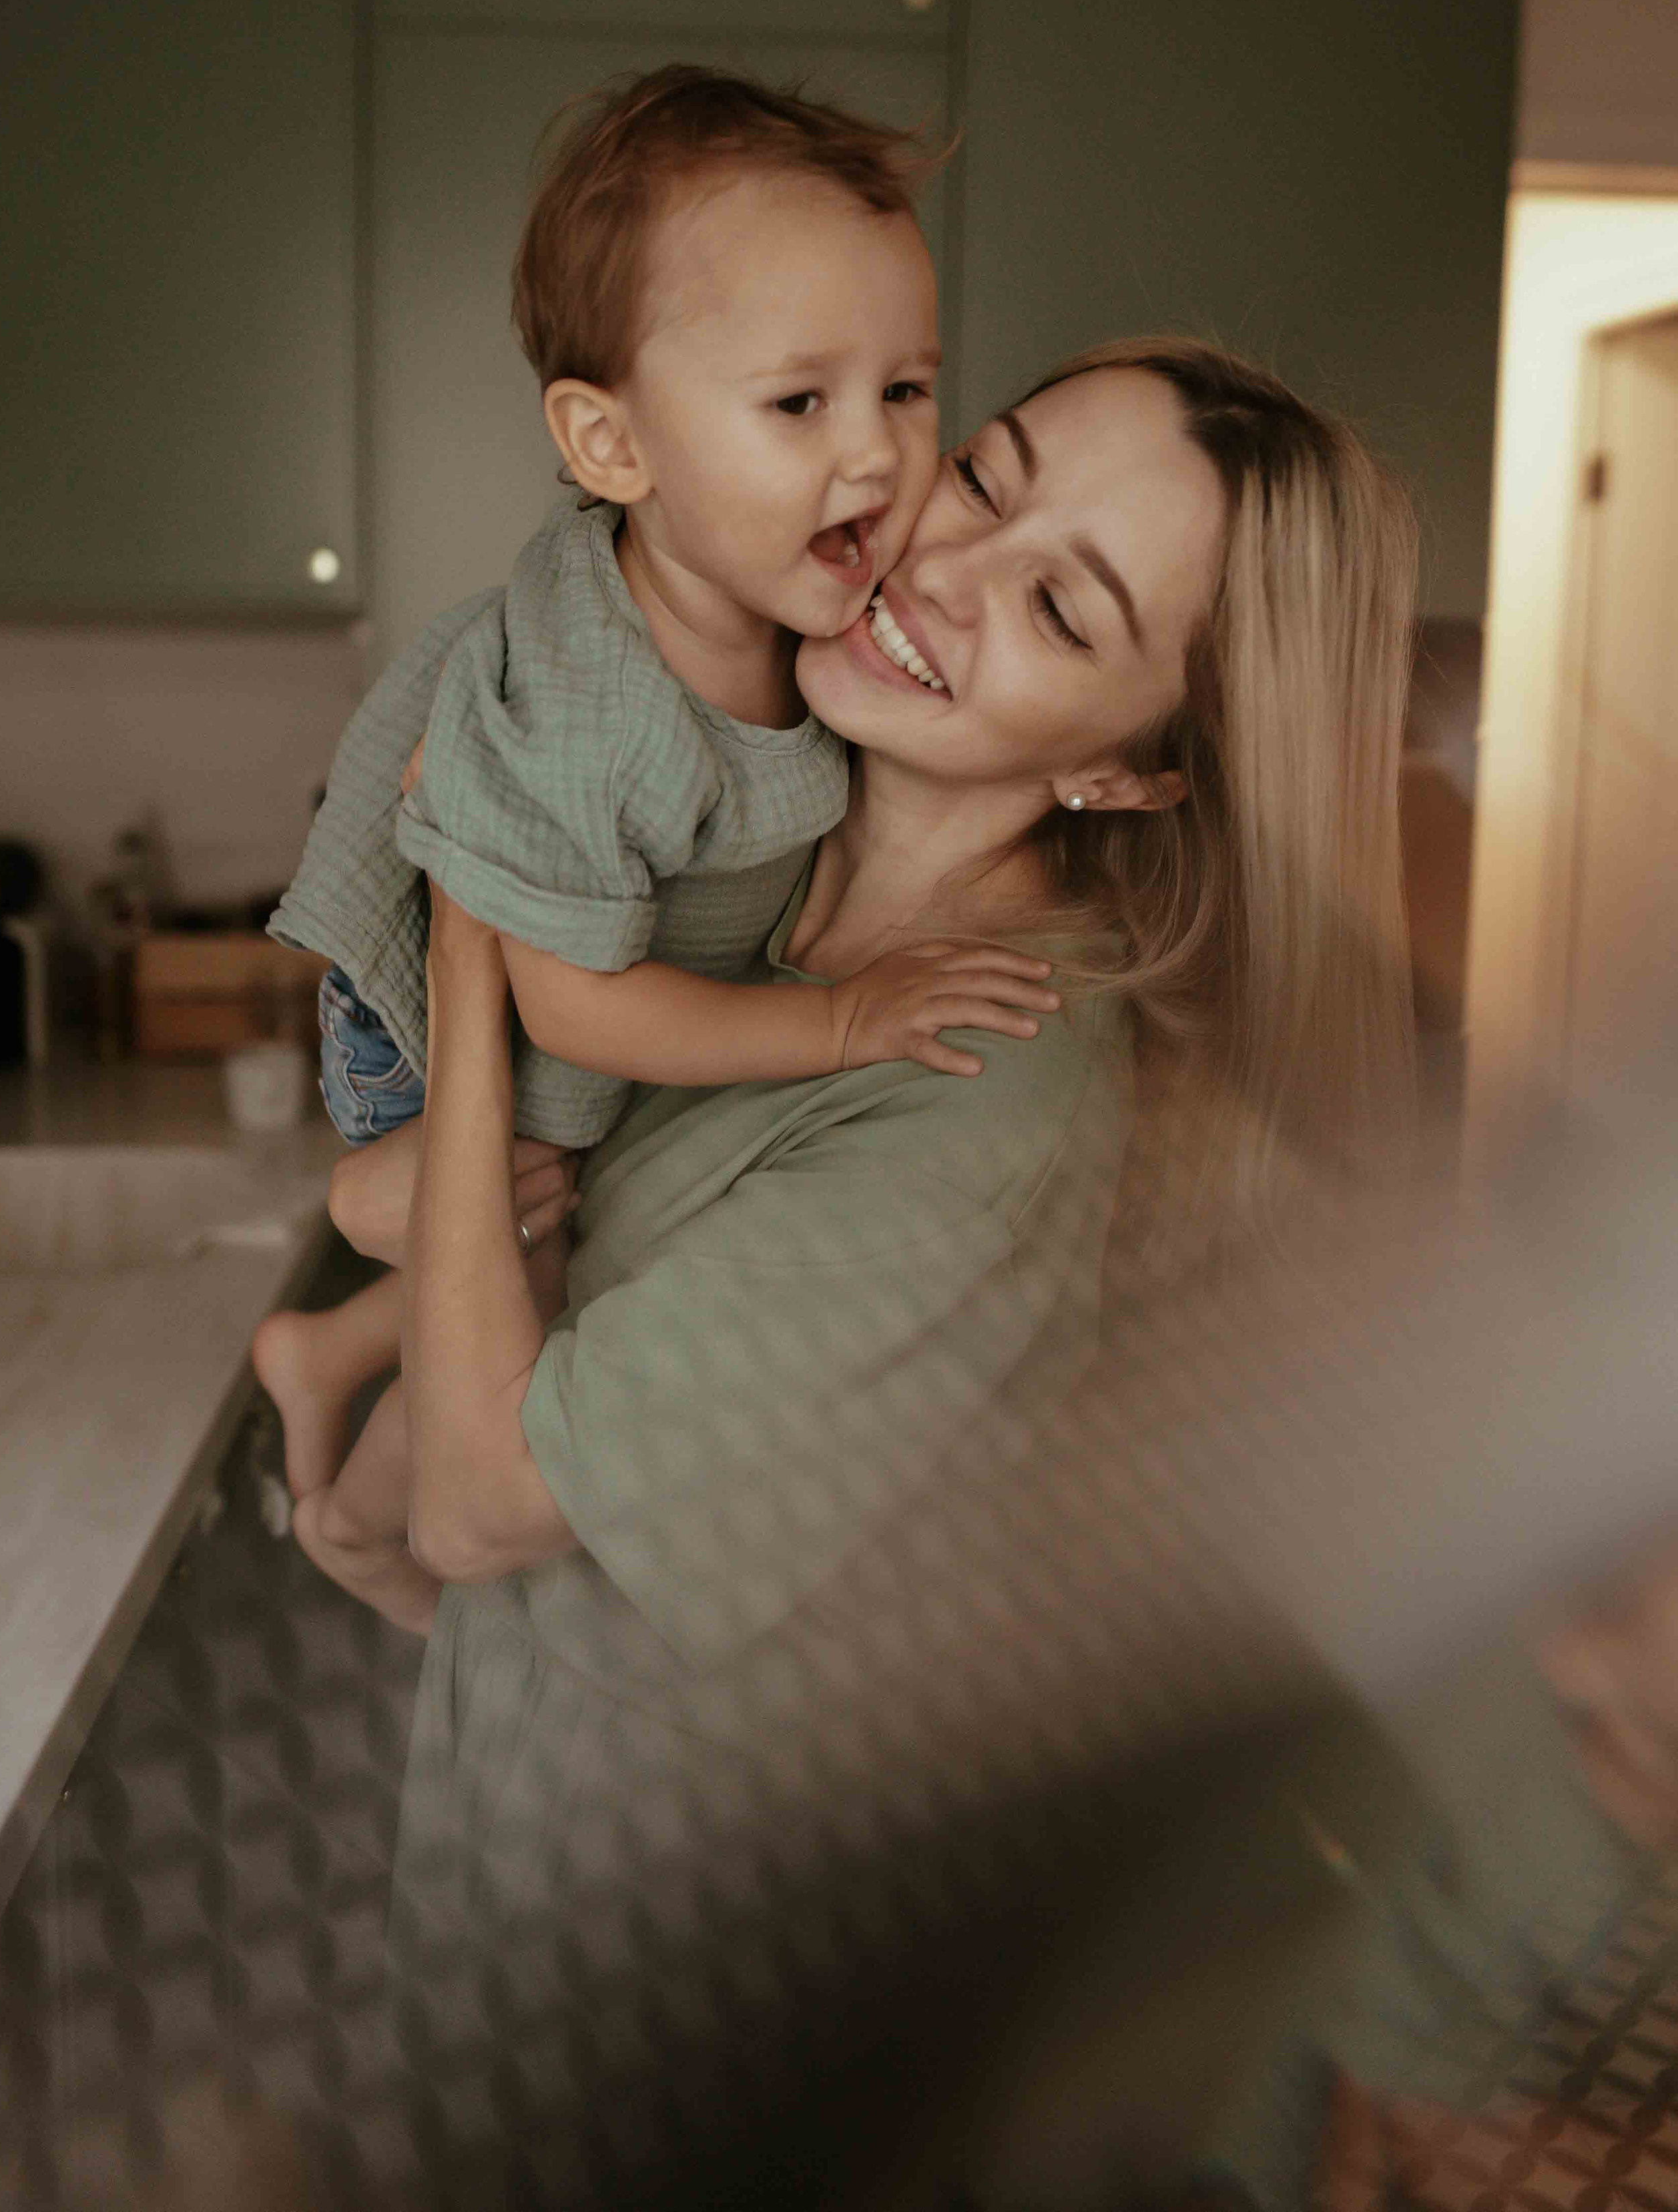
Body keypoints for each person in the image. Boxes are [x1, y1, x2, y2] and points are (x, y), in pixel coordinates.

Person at [316, 337, 1420, 2204]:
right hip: (512, 1916)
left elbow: (488, 1500)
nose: (943, 568)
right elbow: (484, 1240)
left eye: (1060, 607)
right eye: (981, 478)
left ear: (1131, 767)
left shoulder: (981, 1092)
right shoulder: (748, 855)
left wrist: (481, 918)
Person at [256, 67, 1057, 1629]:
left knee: (548, 1219)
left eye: (907, 390)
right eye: (798, 403)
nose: (877, 455)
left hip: (581, 980)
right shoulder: (604, 707)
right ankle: (357, 1518)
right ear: (610, 446)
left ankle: (325, 1347)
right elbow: (570, 1005)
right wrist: (842, 1020)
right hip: (436, 1015)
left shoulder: (794, 606)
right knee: (524, 1292)